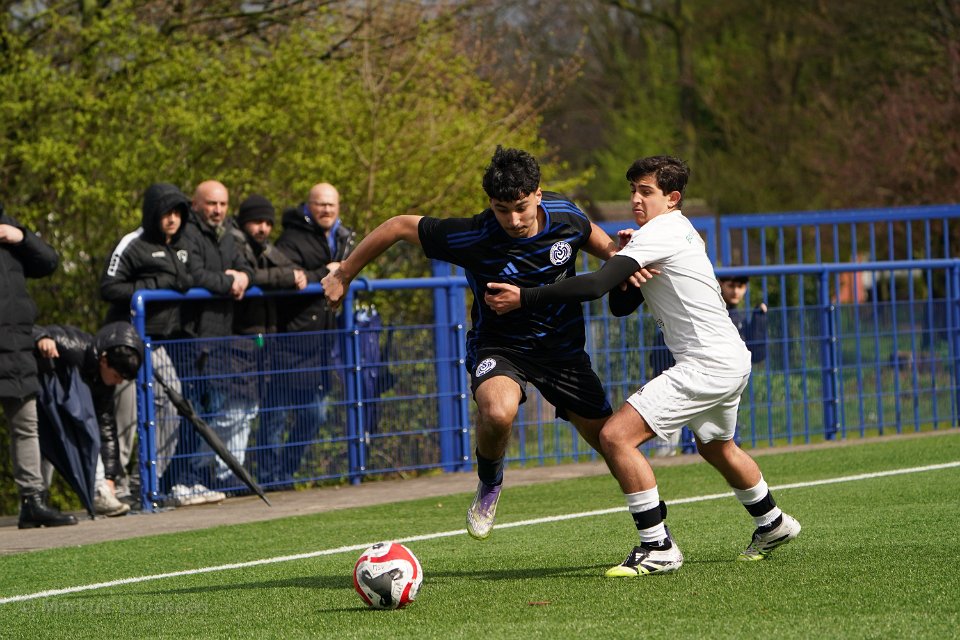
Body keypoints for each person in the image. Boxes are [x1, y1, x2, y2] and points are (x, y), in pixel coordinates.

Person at [485, 155, 800, 575]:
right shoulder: (679, 230)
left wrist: (525, 297)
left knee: (615, 437)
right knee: (716, 447)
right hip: (729, 360)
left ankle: (657, 546)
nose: (635, 198)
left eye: (646, 191)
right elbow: (620, 305)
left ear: (672, 198)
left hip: (706, 365)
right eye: (633, 189)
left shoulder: (660, 232)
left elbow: (596, 286)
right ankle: (773, 523)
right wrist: (628, 264)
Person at [322, 146, 651, 540]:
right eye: (501, 209)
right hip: (500, 346)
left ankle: (656, 536)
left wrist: (617, 256)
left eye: (521, 208)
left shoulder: (565, 215)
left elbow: (590, 234)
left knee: (613, 443)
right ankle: (490, 483)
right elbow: (397, 226)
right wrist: (344, 274)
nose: (513, 220)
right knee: (497, 411)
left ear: (538, 195)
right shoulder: (473, 235)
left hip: (562, 352)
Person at [100, 183, 193, 506]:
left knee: (172, 407)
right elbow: (109, 287)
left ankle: (146, 485)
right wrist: (153, 284)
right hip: (127, 344)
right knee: (125, 418)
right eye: (166, 212)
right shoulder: (132, 243)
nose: (172, 219)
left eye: (178, 212)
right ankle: (115, 487)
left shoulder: (184, 244)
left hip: (159, 344)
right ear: (153, 213)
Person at [270, 182, 356, 481]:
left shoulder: (345, 237)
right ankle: (270, 478)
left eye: (331, 204)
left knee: (315, 413)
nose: (327, 210)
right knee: (275, 417)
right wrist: (326, 273)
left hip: (322, 344)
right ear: (309, 206)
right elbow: (284, 277)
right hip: (289, 340)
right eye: (321, 204)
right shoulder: (290, 238)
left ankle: (286, 473)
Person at [0, 204, 77, 528]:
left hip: (16, 345)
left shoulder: (9, 227)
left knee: (26, 425)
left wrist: (20, 236)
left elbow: (48, 261)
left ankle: (33, 501)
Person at [177, 180, 254, 497]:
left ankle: (205, 476)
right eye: (211, 203)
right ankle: (183, 478)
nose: (218, 210)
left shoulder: (228, 233)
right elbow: (193, 275)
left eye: (222, 204)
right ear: (196, 204)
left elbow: (244, 266)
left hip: (222, 336)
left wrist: (244, 276)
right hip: (193, 338)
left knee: (216, 409)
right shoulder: (186, 233)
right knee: (193, 411)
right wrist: (228, 282)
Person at [228, 194, 307, 485]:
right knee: (235, 414)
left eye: (267, 222)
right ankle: (228, 477)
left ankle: (257, 476)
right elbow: (252, 275)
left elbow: (293, 270)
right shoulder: (232, 243)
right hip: (237, 342)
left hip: (262, 342)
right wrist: (285, 277)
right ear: (243, 222)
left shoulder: (265, 247)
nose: (262, 228)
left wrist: (293, 275)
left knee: (257, 413)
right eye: (256, 222)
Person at [33, 322, 145, 517]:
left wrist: (109, 477)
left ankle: (99, 491)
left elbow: (106, 428)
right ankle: (35, 499)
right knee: (44, 449)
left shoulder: (104, 384)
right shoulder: (73, 347)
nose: (118, 382)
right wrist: (42, 338)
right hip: (40, 401)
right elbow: (30, 330)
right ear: (104, 360)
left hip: (60, 412)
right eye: (116, 376)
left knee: (81, 435)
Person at [648, 274, 768, 454]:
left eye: (741, 286)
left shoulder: (738, 318)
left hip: (716, 382)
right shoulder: (707, 310)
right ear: (720, 284)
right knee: (670, 441)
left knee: (718, 443)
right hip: (686, 377)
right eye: (731, 285)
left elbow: (756, 353)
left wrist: (759, 319)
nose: (736, 291)